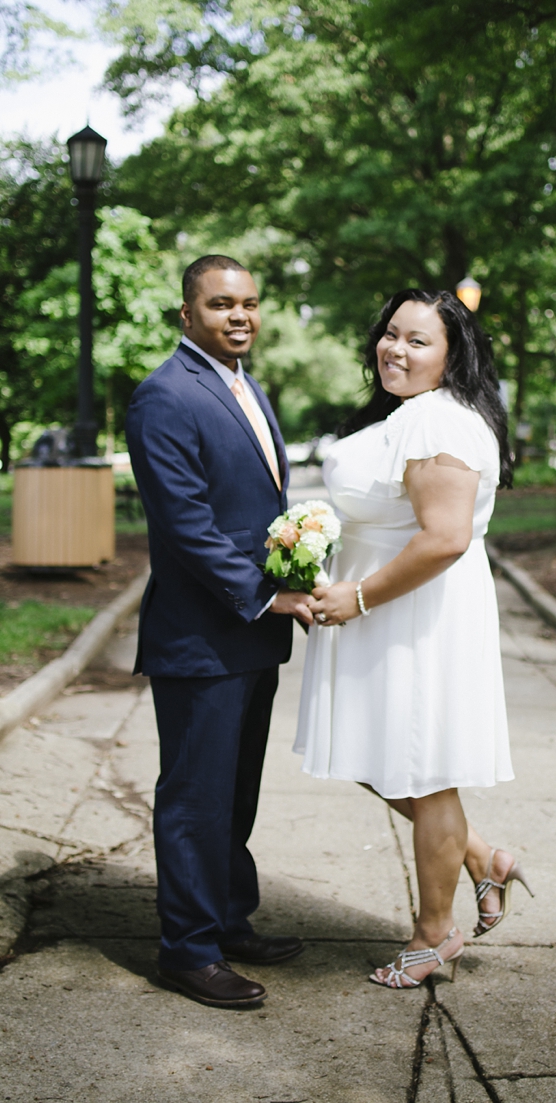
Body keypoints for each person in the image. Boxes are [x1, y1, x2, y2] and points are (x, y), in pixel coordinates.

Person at [295, 289, 533, 988]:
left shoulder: (440, 425)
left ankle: (435, 935)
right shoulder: (412, 416)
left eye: (418, 340)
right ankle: (483, 855)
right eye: (390, 334)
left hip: (414, 619)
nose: (396, 348)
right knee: (379, 756)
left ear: (451, 355)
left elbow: (447, 538)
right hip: (387, 616)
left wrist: (358, 594)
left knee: (425, 774)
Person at [126, 255, 314, 1009]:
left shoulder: (244, 385)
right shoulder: (164, 396)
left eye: (249, 303)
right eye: (220, 304)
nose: (239, 316)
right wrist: (261, 596)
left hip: (250, 638)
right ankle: (188, 948)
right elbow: (185, 527)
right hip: (201, 637)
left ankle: (229, 918)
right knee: (194, 798)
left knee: (235, 794)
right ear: (186, 315)